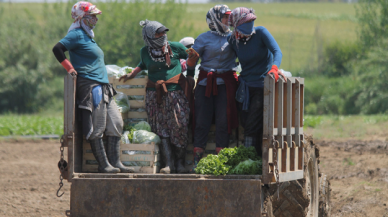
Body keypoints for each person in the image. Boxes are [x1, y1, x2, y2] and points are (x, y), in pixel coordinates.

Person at [52, 1, 133, 173]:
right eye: (92, 16)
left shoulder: (88, 36)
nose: (95, 19)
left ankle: (115, 163)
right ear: (82, 17)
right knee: (98, 125)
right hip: (90, 85)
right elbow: (57, 49)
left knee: (116, 122)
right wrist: (70, 68)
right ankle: (104, 166)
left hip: (103, 86)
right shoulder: (76, 34)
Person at [119, 20, 196, 174]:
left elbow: (191, 60)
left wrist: (190, 74)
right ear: (149, 36)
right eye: (158, 33)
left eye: (163, 32)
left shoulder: (175, 47)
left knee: (179, 126)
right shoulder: (145, 51)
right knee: (161, 128)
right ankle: (168, 165)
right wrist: (132, 74)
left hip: (176, 93)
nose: (163, 35)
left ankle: (180, 164)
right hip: (155, 95)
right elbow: (143, 64)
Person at [227, 7, 286, 156]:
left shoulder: (260, 33)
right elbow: (227, 59)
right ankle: (258, 157)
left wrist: (274, 68)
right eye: (245, 22)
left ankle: (249, 158)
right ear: (236, 25)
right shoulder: (233, 40)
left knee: (251, 126)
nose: (250, 24)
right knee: (246, 122)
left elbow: (277, 52)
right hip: (244, 88)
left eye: (251, 21)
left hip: (262, 86)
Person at [187, 5, 239, 172]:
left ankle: (220, 161)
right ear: (215, 19)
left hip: (225, 84)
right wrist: (191, 60)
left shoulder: (234, 38)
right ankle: (197, 160)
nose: (228, 20)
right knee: (201, 120)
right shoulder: (203, 38)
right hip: (205, 84)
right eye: (224, 17)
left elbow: (244, 56)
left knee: (224, 120)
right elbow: (191, 62)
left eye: (229, 17)